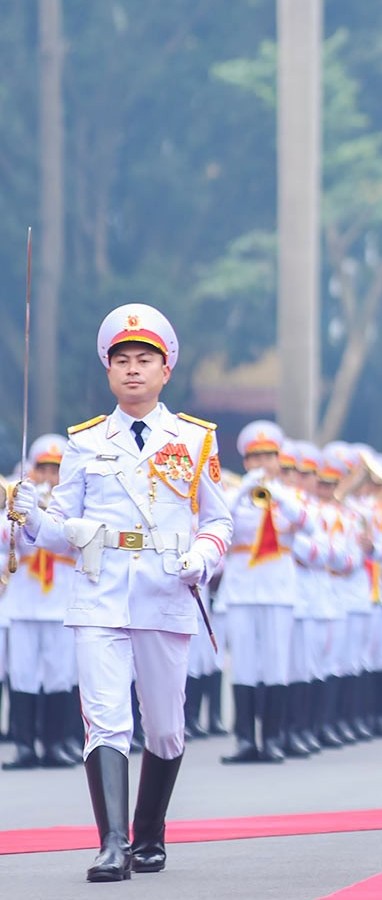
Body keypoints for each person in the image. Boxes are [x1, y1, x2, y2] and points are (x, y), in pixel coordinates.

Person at [13, 303, 231, 881]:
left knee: (163, 724)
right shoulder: (83, 442)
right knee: (106, 719)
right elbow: (64, 530)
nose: (133, 370)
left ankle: (149, 833)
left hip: (165, 587)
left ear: (166, 370)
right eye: (122, 360)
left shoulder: (194, 439)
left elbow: (219, 521)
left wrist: (202, 558)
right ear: (108, 372)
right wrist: (31, 517)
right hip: (102, 587)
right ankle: (112, 843)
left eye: (145, 360)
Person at [218, 420, 307, 765]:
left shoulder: (291, 497)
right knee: (243, 665)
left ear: (279, 459)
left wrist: (277, 492)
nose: (262, 463)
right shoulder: (235, 498)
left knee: (275, 664)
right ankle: (244, 739)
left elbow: (306, 522)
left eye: (268, 456)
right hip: (241, 590)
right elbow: (218, 519)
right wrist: (244, 490)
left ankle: (272, 738)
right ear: (246, 462)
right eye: (255, 457)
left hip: (278, 589)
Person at [3, 434, 80, 771]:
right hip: (24, 603)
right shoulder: (18, 502)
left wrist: (47, 515)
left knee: (59, 675)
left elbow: (77, 541)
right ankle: (23, 745)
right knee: (22, 675)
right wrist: (20, 512)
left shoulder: (76, 506)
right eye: (43, 468)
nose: (49, 476)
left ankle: (56, 743)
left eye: (56, 469)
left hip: (60, 603)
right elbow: (6, 540)